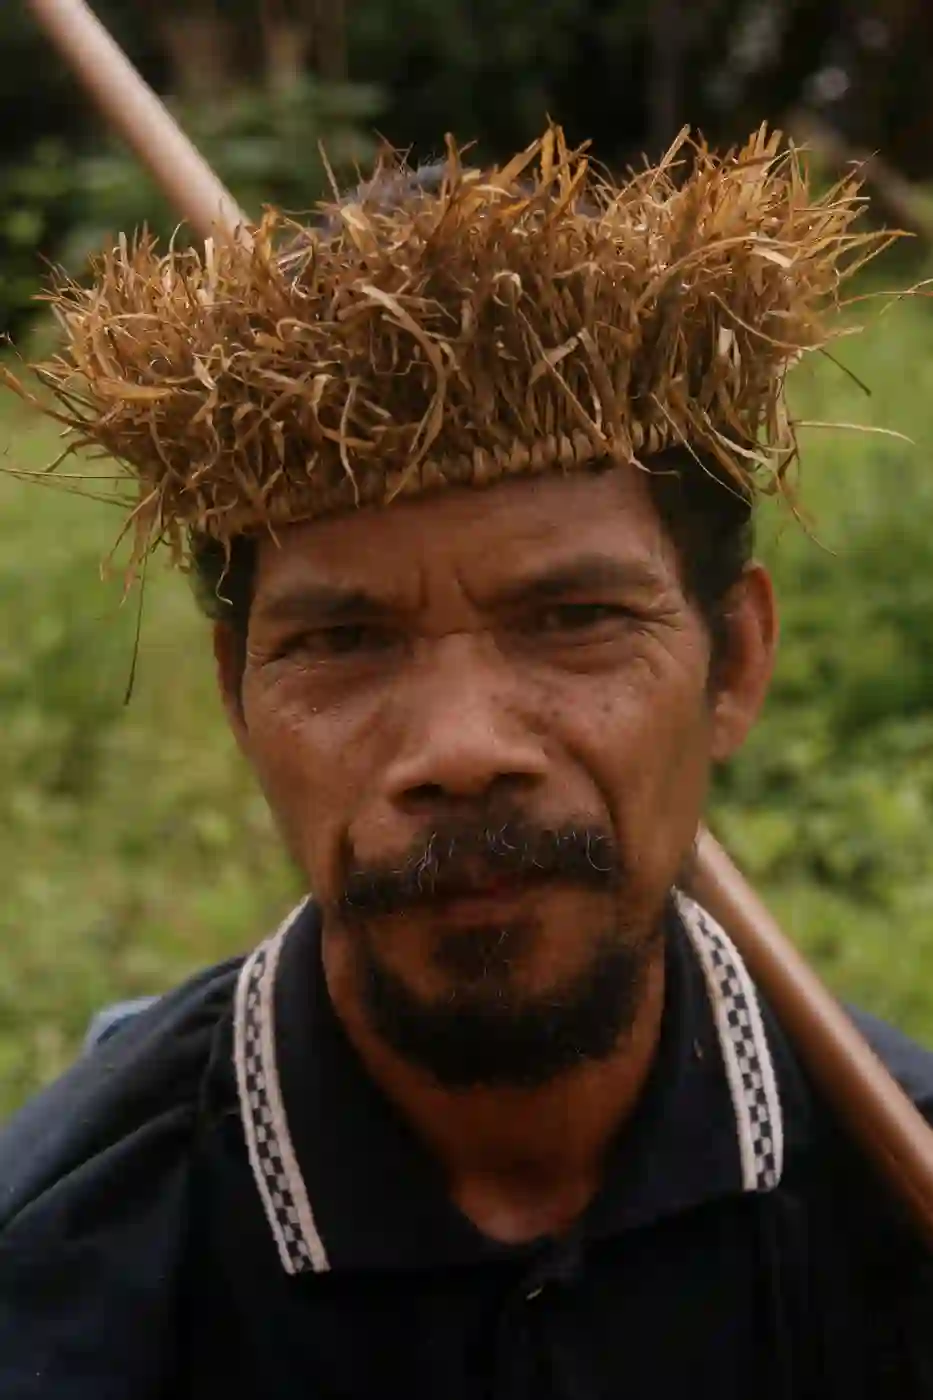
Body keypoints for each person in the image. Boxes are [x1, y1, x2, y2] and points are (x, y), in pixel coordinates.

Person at [0, 126, 930, 1400]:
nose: (462, 749)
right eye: (344, 642)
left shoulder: (892, 1210)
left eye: (572, 619)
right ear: (238, 696)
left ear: (735, 663)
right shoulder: (58, 1277)